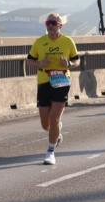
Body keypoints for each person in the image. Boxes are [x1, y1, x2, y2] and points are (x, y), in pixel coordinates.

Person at [26, 13, 80, 165]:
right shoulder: (40, 42)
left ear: (60, 25)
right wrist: (40, 64)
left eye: (53, 23)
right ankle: (56, 133)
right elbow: (29, 60)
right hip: (44, 82)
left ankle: (50, 152)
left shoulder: (68, 41)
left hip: (61, 81)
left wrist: (68, 64)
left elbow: (77, 61)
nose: (50, 26)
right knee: (46, 124)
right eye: (48, 23)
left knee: (54, 118)